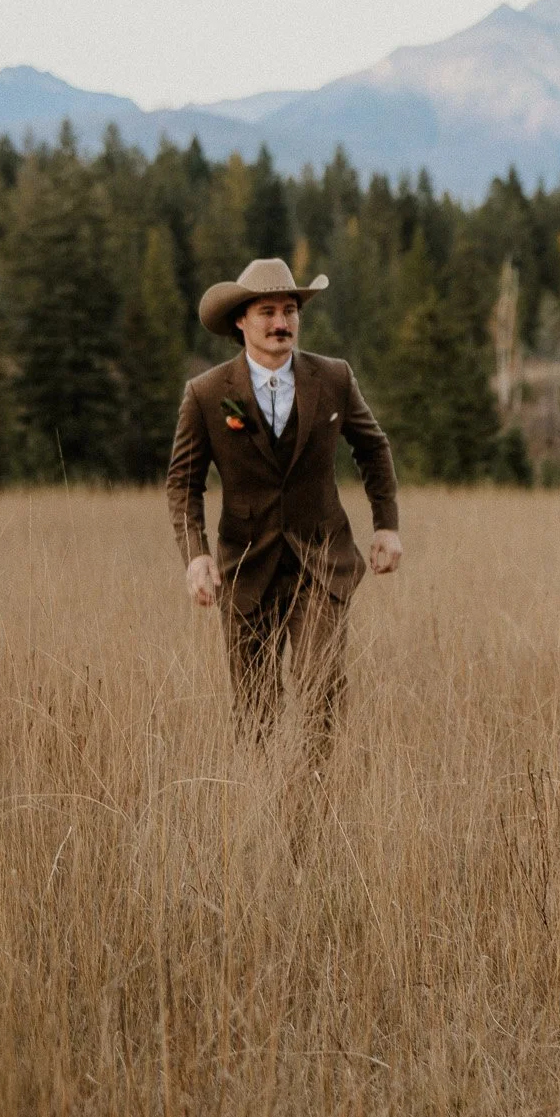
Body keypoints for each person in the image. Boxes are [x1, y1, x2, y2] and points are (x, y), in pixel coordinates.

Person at [167, 257, 402, 757]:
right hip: (246, 567)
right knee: (254, 707)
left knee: (321, 686)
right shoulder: (207, 395)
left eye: (290, 310)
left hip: (322, 561)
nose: (281, 324)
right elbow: (183, 483)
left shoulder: (334, 378)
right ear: (240, 320)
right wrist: (196, 554)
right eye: (268, 311)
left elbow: (373, 447)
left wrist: (387, 526)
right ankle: (260, 803)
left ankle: (313, 804)